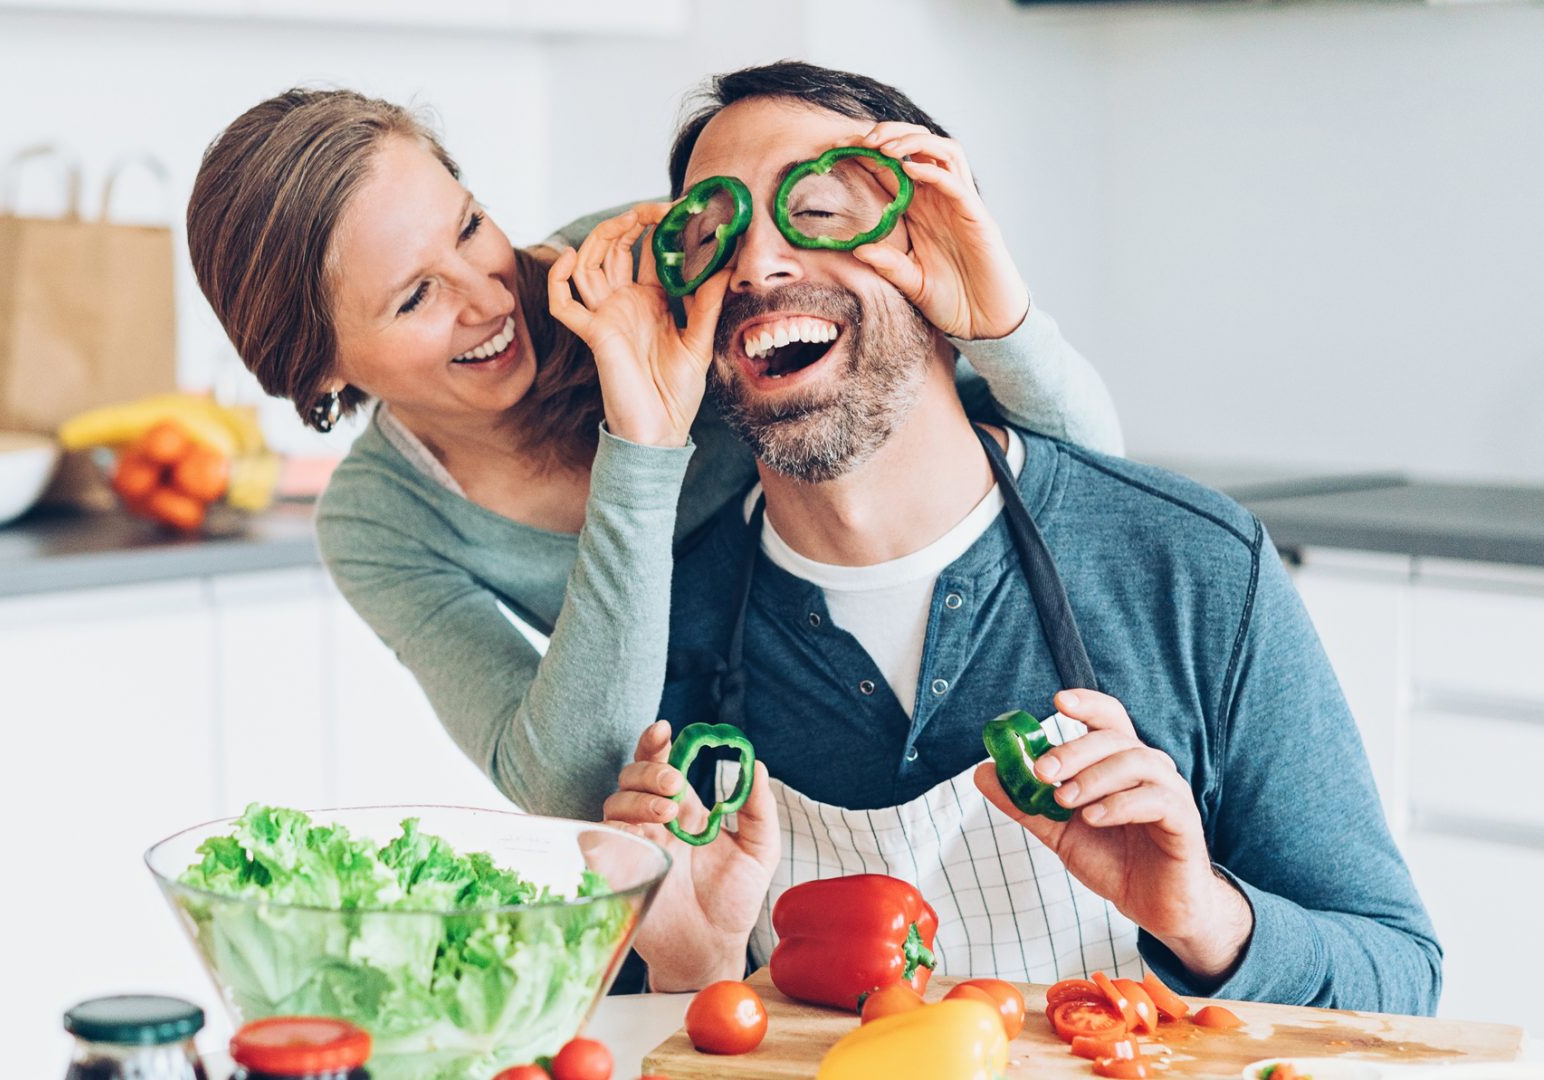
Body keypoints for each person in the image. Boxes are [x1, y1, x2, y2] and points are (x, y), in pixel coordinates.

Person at [598, 61, 1440, 1015]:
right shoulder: (661, 634)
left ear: (937, 257)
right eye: (712, 239)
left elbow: (1402, 985)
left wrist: (1205, 917)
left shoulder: (1190, 566)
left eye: (820, 212)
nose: (755, 266)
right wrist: (688, 971)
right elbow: (615, 1040)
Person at [186, 87, 1122, 824]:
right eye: (413, 297)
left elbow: (1085, 490)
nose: (490, 297)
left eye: (470, 226)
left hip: (934, 696)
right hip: (714, 808)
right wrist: (644, 442)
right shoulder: (380, 522)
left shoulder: (650, 262)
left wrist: (1002, 322)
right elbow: (567, 784)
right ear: (317, 372)